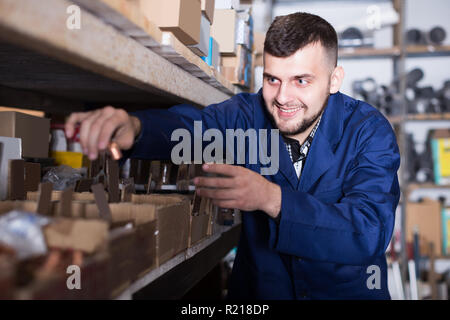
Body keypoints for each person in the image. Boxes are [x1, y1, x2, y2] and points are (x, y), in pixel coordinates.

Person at [65, 12, 400, 300]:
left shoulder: (368, 131)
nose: (283, 97)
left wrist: (272, 198)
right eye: (272, 79)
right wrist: (135, 127)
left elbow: (368, 232)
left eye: (301, 80)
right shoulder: (248, 115)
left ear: (334, 80)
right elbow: (191, 129)